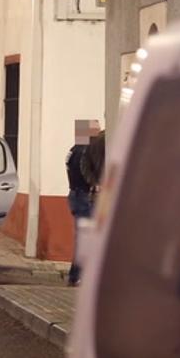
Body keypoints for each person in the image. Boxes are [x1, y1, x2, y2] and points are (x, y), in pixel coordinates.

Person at [68, 121, 105, 287]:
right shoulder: (84, 151)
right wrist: (95, 184)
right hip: (84, 195)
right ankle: (77, 276)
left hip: (75, 194)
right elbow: (85, 171)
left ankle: (76, 275)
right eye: (95, 130)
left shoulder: (73, 150)